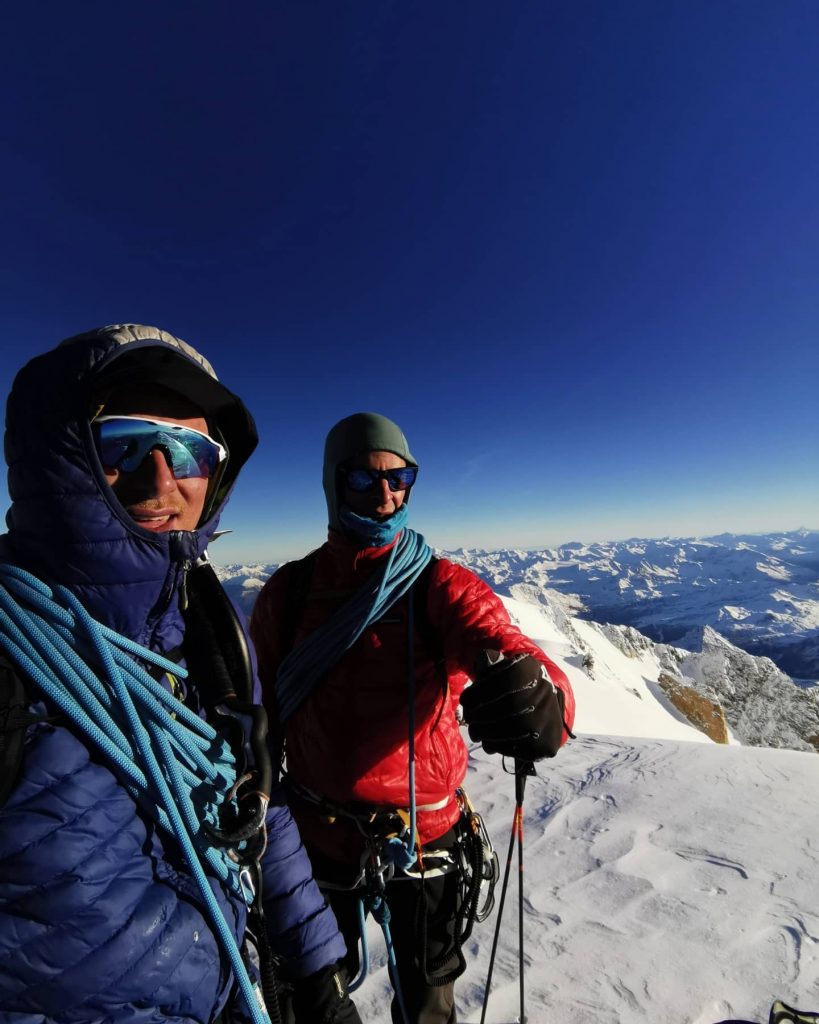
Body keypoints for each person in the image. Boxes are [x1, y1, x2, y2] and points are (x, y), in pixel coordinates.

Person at [0, 325, 362, 1024]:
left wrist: (318, 970)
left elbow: (257, 801)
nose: (161, 478)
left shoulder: (207, 624)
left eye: (190, 450)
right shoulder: (14, 655)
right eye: (124, 443)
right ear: (60, 454)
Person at [250, 412, 576, 1024]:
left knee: (426, 1008)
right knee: (311, 1003)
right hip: (315, 837)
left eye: (399, 478)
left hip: (421, 837)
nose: (385, 494)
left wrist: (543, 697)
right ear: (333, 484)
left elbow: (504, 644)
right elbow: (256, 707)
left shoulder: (438, 587)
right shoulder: (288, 596)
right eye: (363, 478)